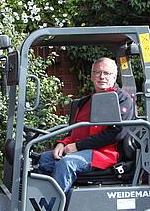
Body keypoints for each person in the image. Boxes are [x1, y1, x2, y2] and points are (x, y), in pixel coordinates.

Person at [37, 57, 135, 193]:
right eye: (97, 72)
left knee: (67, 163)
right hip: (82, 151)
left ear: (114, 76)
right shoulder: (85, 102)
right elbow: (75, 131)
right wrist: (62, 143)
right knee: (43, 160)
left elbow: (117, 133)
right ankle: (41, 199)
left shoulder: (122, 99)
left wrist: (77, 146)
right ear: (91, 77)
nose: (102, 77)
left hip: (104, 154)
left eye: (106, 73)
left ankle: (51, 208)